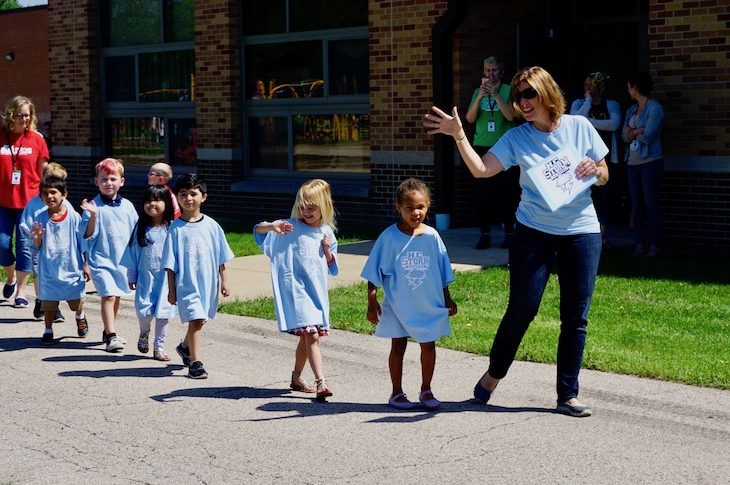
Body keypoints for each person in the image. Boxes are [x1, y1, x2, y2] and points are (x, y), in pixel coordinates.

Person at [423, 66, 609, 417]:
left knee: (575, 317)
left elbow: (605, 174)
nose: (521, 102)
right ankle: (493, 376)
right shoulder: (516, 138)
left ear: (546, 93)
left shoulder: (579, 127)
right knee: (523, 307)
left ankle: (567, 394)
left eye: (528, 94)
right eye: (517, 95)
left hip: (581, 232)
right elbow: (481, 170)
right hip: (533, 231)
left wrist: (595, 171)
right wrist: (459, 135)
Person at [361, 178, 458, 410]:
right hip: (397, 304)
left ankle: (426, 390)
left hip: (427, 304)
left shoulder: (433, 236)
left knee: (428, 346)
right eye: (409, 208)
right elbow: (374, 273)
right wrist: (372, 303)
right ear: (398, 207)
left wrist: (447, 297)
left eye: (420, 207)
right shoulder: (389, 237)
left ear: (428, 205)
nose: (415, 212)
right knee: (398, 347)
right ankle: (396, 393)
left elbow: (442, 270)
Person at [254, 179, 338, 400]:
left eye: (312, 208)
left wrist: (327, 250)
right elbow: (258, 231)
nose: (306, 212)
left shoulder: (326, 232)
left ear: (324, 207)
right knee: (311, 336)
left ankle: (296, 377)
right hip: (296, 291)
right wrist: (272, 226)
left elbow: (332, 266)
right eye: (302, 207)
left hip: (315, 292)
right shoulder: (288, 226)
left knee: (307, 338)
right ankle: (321, 382)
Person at [162, 173, 233, 379]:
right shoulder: (175, 229)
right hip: (186, 284)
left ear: (203, 197)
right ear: (177, 197)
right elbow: (170, 265)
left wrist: (225, 281)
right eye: (183, 194)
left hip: (208, 283)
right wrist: (171, 291)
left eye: (193, 194)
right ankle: (195, 363)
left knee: (200, 321)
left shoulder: (212, 226)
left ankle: (185, 347)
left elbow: (221, 257)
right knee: (196, 320)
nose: (188, 198)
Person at [80, 158, 139, 352]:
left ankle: (108, 330)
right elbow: (86, 237)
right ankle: (111, 336)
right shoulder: (92, 206)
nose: (108, 183)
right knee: (108, 295)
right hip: (101, 259)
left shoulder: (128, 206)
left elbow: (136, 232)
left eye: (113, 178)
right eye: (104, 179)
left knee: (117, 296)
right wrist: (93, 216)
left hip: (121, 261)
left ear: (122, 181)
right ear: (96, 181)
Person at [0, 95, 50, 309]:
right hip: (3, 201)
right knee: (2, 245)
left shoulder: (36, 139)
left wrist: (46, 197)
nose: (23, 119)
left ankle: (21, 292)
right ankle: (10, 276)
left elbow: (44, 170)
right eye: (19, 115)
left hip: (29, 203)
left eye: (27, 115)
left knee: (24, 247)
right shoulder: (1, 137)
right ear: (10, 115)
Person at [464, 56, 519, 249]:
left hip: (503, 147)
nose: (490, 74)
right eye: (487, 71)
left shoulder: (508, 90)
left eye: (494, 70)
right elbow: (470, 119)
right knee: (484, 194)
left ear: (501, 72)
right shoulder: (477, 92)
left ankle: (510, 233)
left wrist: (496, 95)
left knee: (506, 193)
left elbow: (511, 115)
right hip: (482, 147)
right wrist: (480, 96)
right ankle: (485, 234)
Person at [20, 162, 82, 322]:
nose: (51, 194)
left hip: (62, 252)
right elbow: (25, 223)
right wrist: (35, 236)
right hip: (40, 247)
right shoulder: (34, 203)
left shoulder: (66, 205)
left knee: (59, 278)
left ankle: (62, 308)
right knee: (41, 276)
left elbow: (73, 225)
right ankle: (45, 303)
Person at [29, 176, 88, 345]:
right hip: (49, 269)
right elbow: (36, 247)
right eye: (45, 194)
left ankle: (80, 316)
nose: (49, 197)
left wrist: (86, 264)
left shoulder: (73, 217)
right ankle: (48, 329)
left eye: (54, 192)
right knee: (49, 302)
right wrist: (37, 238)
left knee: (77, 301)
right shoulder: (39, 218)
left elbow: (82, 242)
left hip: (71, 267)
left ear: (64, 195)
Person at [121, 185, 177, 362]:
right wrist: (132, 275)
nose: (152, 204)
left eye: (157, 200)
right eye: (148, 200)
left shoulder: (173, 228)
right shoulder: (141, 229)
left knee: (163, 314)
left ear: (167, 203)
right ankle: (144, 331)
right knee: (145, 312)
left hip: (166, 281)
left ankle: (158, 347)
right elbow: (133, 253)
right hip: (146, 279)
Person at [570, 72, 622, 248]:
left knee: (605, 197)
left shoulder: (611, 105)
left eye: (591, 85)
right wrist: (588, 102)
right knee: (587, 196)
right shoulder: (579, 103)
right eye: (586, 85)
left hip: (606, 159)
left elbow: (614, 124)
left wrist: (588, 122)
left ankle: (603, 234)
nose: (588, 88)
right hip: (583, 160)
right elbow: (576, 121)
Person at [622, 72, 664, 257]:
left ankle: (654, 244)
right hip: (632, 163)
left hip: (650, 162)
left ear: (636, 87)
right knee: (637, 205)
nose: (628, 90)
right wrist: (636, 130)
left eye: (629, 86)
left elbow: (649, 135)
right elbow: (624, 136)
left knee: (650, 204)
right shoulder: (631, 110)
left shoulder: (654, 108)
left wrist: (633, 132)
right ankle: (639, 243)